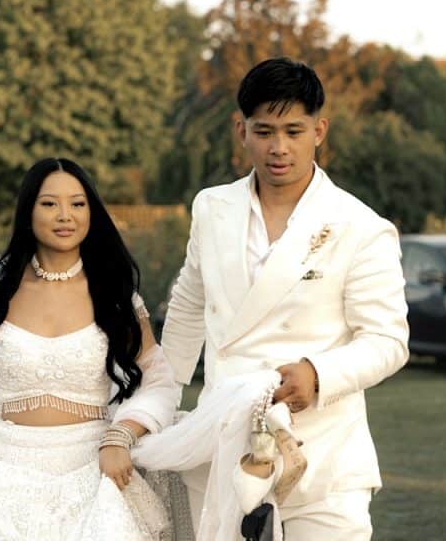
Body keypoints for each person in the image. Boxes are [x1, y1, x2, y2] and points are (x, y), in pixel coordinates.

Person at [161, 57, 410, 540]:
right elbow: (189, 311)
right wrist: (160, 406)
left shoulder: (360, 226)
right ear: (241, 130)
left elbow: (387, 340)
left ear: (319, 131)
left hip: (323, 459)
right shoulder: (211, 208)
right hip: (222, 451)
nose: (279, 147)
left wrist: (318, 375)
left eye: (294, 131)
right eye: (265, 130)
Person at [0, 158, 182, 541]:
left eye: (78, 204)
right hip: (4, 469)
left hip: (93, 467)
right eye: (50, 203)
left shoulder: (116, 298)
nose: (65, 215)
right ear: (28, 212)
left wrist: (121, 436)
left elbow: (159, 379)